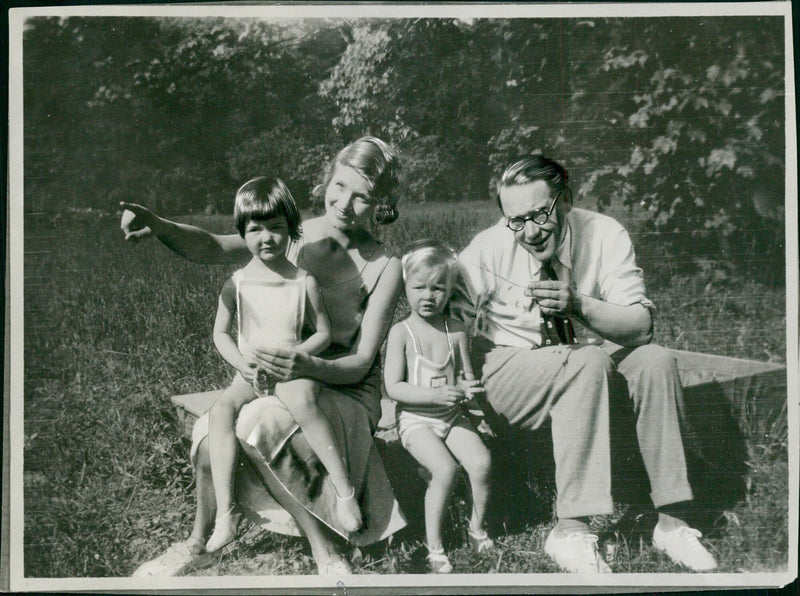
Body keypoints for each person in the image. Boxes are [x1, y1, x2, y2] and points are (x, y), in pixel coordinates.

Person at [125, 136, 406, 577]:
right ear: (327, 180)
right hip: (279, 376)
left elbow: (363, 360)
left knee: (258, 423)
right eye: (339, 186)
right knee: (212, 425)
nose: (345, 204)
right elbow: (215, 247)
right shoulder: (291, 234)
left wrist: (309, 365)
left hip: (344, 387)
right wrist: (161, 226)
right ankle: (200, 541)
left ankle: (326, 550)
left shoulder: (386, 265)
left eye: (363, 196)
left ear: (381, 203)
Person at [451, 155, 718, 573]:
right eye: (516, 220)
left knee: (656, 361)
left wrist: (579, 304)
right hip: (510, 368)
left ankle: (673, 521)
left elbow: (641, 327)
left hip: (590, 360)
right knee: (587, 362)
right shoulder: (490, 247)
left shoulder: (605, 234)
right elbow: (447, 320)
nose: (531, 232)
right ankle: (570, 531)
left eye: (540, 214)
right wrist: (452, 385)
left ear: (566, 199)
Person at [205, 176, 364, 553]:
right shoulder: (237, 283)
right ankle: (225, 515)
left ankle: (344, 491)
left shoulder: (303, 281)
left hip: (291, 368)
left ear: (292, 231)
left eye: (276, 228)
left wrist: (299, 357)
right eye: (255, 230)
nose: (266, 238)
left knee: (304, 403)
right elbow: (220, 335)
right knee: (220, 411)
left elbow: (323, 333)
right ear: (242, 233)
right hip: (251, 371)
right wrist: (242, 365)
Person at [383, 240, 493, 574]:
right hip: (416, 420)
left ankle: (476, 529)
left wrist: (474, 403)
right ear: (406, 288)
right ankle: (435, 547)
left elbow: (465, 377)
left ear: (449, 291)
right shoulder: (402, 333)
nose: (428, 296)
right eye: (419, 287)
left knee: (481, 462)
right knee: (445, 469)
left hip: (451, 415)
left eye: (438, 288)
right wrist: (434, 396)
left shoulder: (456, 331)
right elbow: (393, 388)